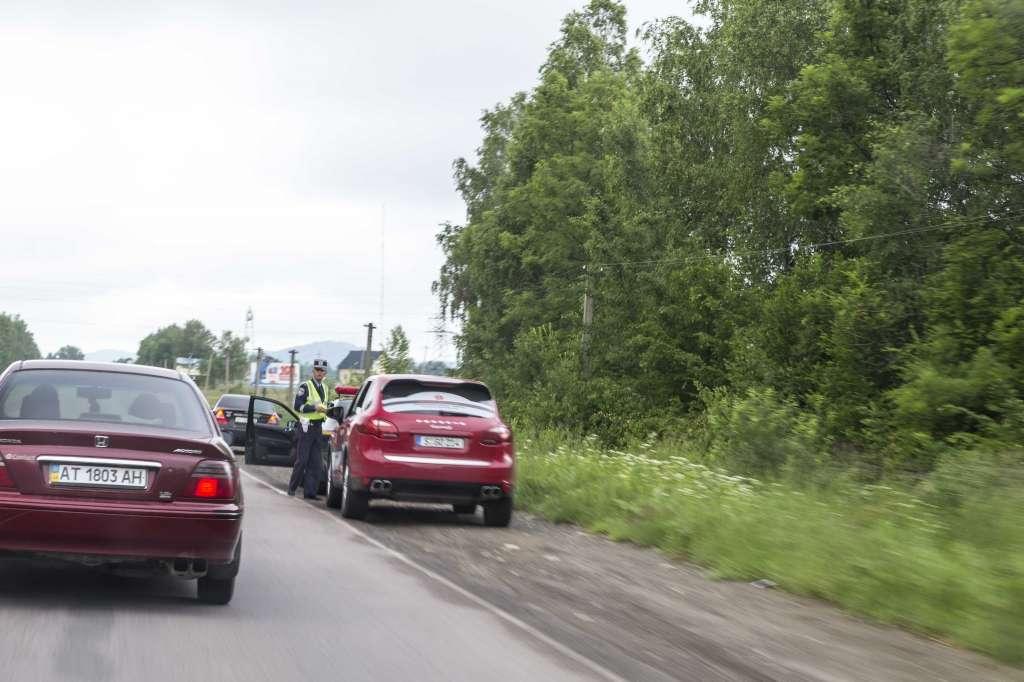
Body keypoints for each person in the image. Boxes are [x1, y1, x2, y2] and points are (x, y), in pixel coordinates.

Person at [288, 359, 332, 498]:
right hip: (306, 427)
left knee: (316, 463)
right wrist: (314, 408)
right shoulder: (305, 386)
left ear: (325, 373)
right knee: (302, 461)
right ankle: (292, 488)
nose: (319, 372)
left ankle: (310, 493)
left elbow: (324, 406)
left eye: (322, 370)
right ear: (313, 371)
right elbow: (297, 406)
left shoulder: (325, 388)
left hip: (318, 428)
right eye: (317, 370)